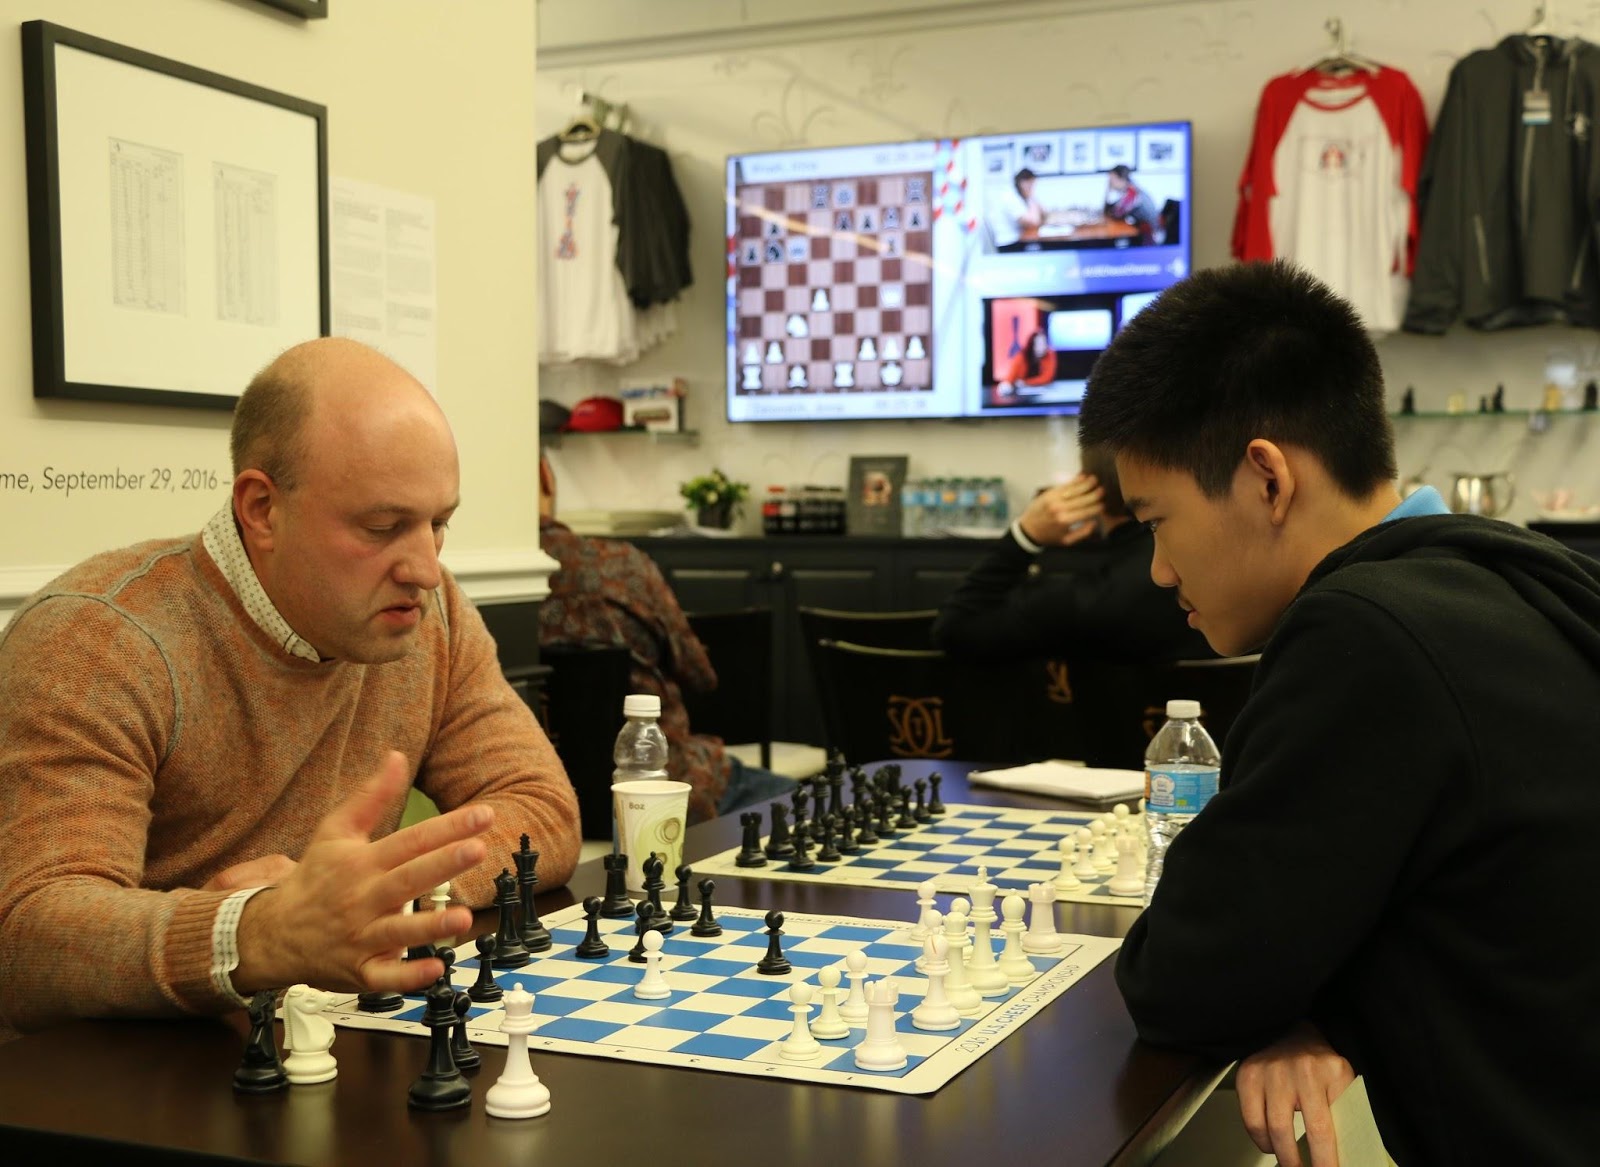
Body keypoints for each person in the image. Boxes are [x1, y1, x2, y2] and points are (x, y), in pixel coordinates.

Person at [1078, 261, 1600, 1166]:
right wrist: (1326, 1001)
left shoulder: (1366, 633)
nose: (1160, 571)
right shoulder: (1509, 576)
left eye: (1156, 520)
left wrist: (1302, 991)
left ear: (1267, 479)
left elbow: (1183, 976)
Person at [0, 338, 582, 1043]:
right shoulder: (97, 642)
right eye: (383, 526)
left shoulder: (432, 617)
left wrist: (365, 901)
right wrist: (256, 931)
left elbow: (541, 808)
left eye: (439, 523)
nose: (427, 567)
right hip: (112, 1087)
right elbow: (30, 933)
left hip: (310, 1049)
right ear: (261, 508)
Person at [538, 454, 793, 824]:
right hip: (664, 788)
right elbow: (701, 676)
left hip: (554, 800)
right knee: (813, 803)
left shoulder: (482, 584)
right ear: (546, 476)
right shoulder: (622, 565)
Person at [932, 444, 1208, 667]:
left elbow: (954, 630)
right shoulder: (1220, 579)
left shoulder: (1080, 601)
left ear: (1085, 487)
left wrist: (1023, 536)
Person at [988, 167, 1046, 248]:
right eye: (1031, 185)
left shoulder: (1017, 195)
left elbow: (1043, 213)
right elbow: (1033, 222)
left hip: (1016, 239)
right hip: (1008, 243)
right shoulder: (1011, 198)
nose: (1032, 188)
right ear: (1023, 183)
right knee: (1045, 247)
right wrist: (1031, 197)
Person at [994, 329, 1058, 399]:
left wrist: (1025, 383)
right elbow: (1011, 377)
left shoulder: (1050, 355)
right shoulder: (1021, 357)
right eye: (1039, 344)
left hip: (1042, 393)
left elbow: (1047, 377)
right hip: (1021, 395)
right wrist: (1006, 385)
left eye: (1044, 343)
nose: (1042, 347)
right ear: (1032, 345)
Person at [1103, 164, 1159, 235]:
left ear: (1121, 179)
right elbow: (1113, 210)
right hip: (1143, 230)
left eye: (1112, 179)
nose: (1110, 183)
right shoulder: (1131, 188)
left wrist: (1108, 191)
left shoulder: (1132, 192)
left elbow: (1117, 214)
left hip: (1149, 234)